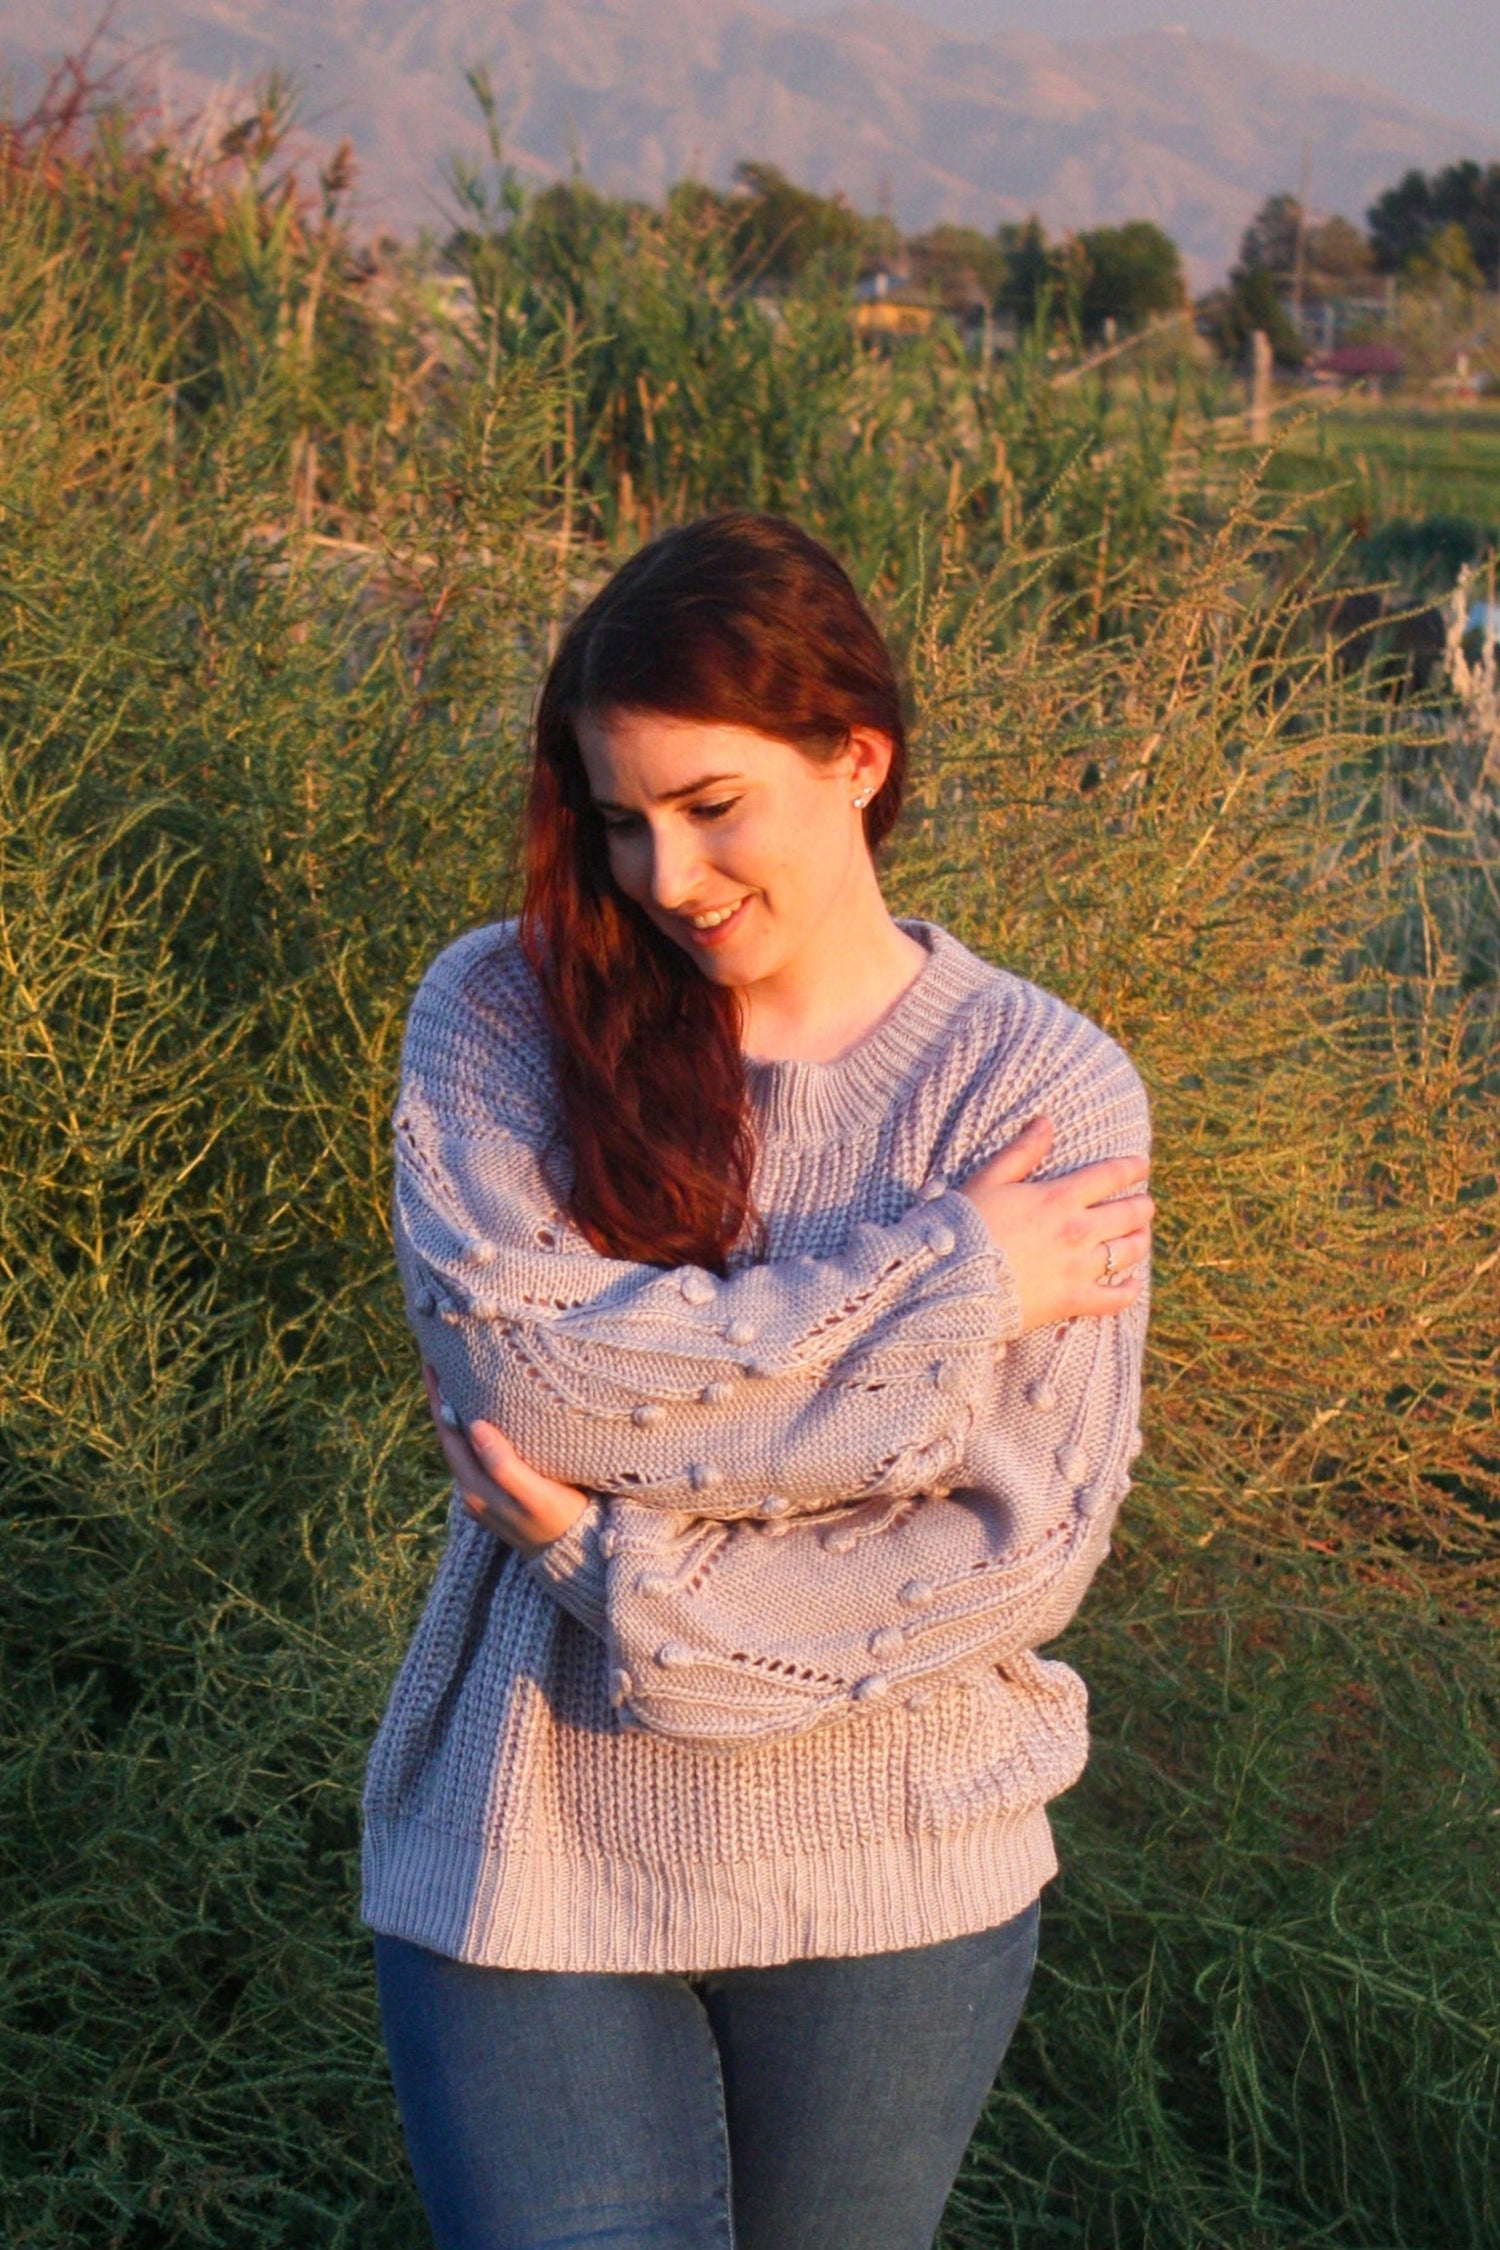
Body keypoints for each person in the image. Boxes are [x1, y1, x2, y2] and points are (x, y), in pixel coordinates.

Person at [363, 511, 1152, 2250]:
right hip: (534, 1846)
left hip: (892, 1865)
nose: (664, 874)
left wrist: (621, 1570)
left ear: (854, 757)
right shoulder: (499, 1014)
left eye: (713, 806)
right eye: (622, 817)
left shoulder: (1042, 1090)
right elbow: (538, 1384)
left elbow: (1014, 1549)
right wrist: (947, 1287)